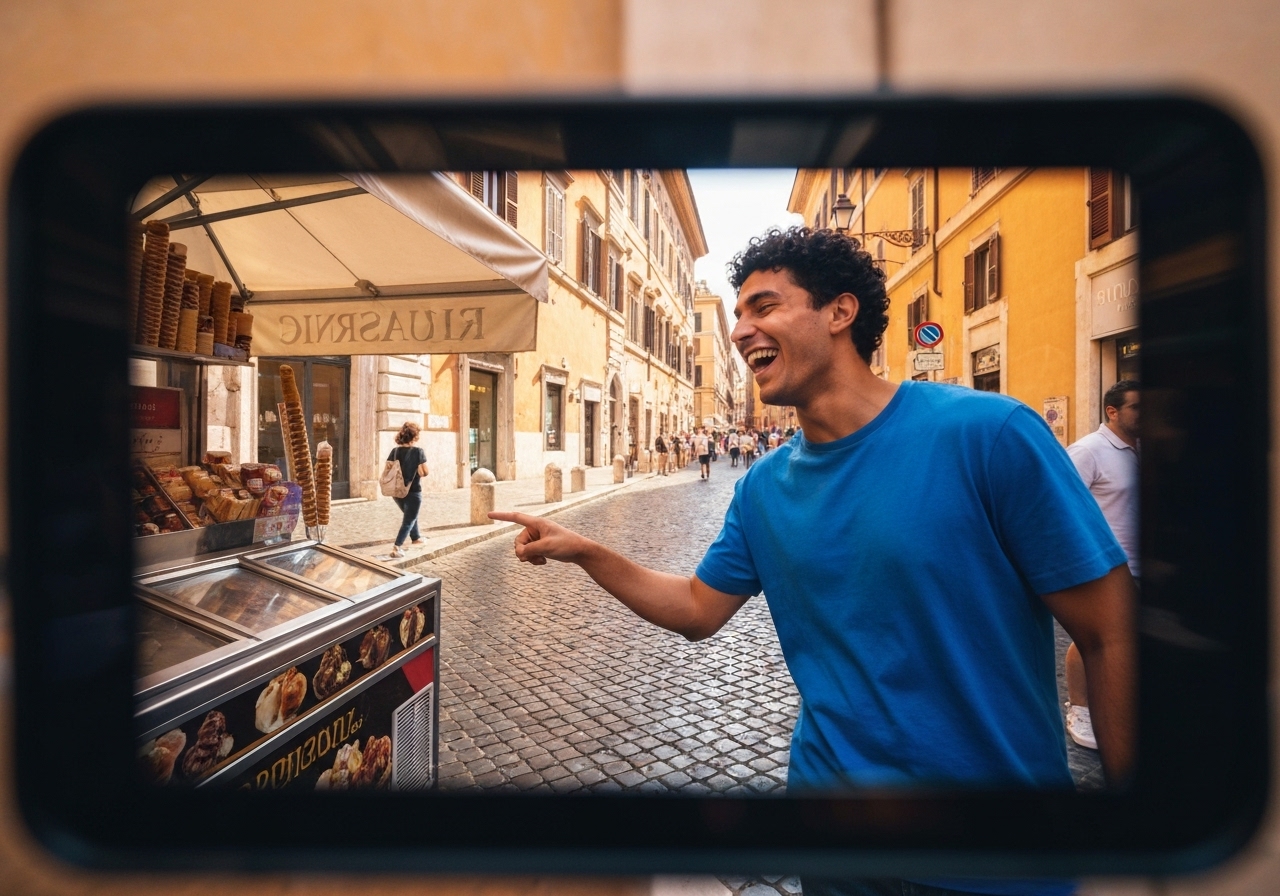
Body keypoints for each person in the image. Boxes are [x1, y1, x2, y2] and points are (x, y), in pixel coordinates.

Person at [491, 227, 1134, 896]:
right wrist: (586, 551)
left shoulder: (989, 434)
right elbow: (695, 609)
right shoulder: (762, 488)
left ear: (840, 312)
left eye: (762, 307)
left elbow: (1109, 632)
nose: (741, 332)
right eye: (737, 315)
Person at [1062, 380, 1140, 751]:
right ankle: (1080, 708)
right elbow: (1062, 504)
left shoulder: (1140, 448)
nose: (1144, 415)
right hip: (1105, 566)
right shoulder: (1089, 450)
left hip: (1143, 565)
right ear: (1112, 411)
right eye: (1136, 407)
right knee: (1092, 638)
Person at [386, 421, 429, 559]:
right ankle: (397, 547)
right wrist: (416, 468)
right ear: (414, 436)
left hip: (396, 492)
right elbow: (425, 472)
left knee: (410, 514)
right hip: (413, 491)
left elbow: (388, 469)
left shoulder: (395, 451)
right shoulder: (418, 451)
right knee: (409, 519)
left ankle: (416, 537)